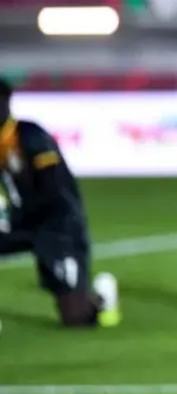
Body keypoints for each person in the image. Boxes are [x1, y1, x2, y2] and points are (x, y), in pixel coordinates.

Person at [0, 80, 120, 328]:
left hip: (58, 224)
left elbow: (53, 190)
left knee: (76, 318)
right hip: (24, 222)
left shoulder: (30, 136)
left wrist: (12, 215)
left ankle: (101, 297)